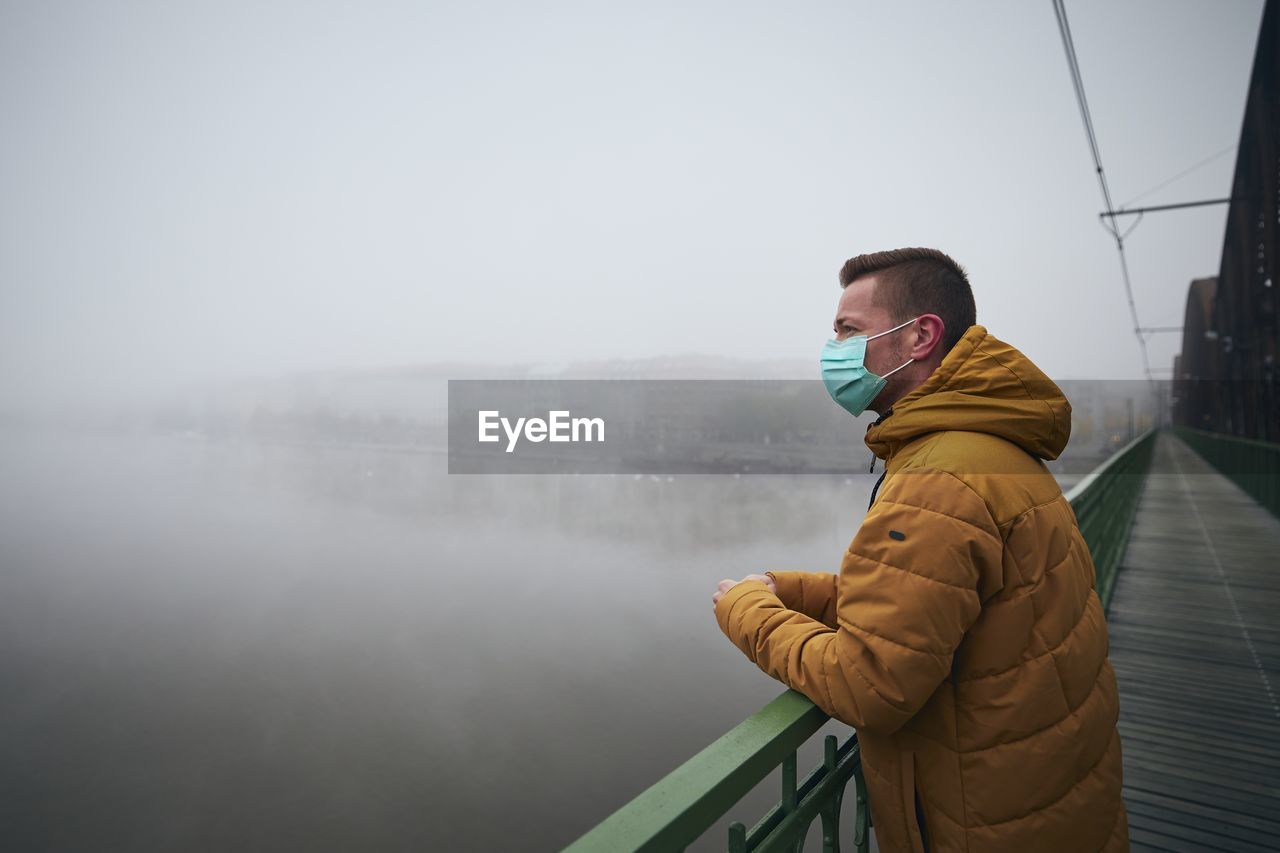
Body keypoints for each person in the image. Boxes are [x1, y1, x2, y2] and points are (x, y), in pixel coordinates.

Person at [711, 248, 1128, 853]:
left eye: (848, 330)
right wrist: (798, 591)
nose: (833, 348)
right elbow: (942, 601)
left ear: (919, 337)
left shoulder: (936, 479)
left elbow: (870, 684)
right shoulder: (990, 446)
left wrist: (747, 609)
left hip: (983, 822)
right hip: (1051, 800)